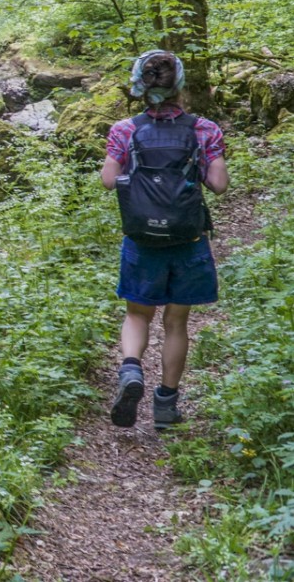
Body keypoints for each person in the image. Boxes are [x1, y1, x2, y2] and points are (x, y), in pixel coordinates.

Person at [100, 50, 228, 429]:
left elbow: (109, 180)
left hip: (143, 240)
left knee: (137, 312)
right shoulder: (204, 129)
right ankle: (166, 406)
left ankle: (130, 370)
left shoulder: (125, 129)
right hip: (187, 240)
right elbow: (219, 185)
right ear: (180, 83)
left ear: (140, 83)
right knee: (176, 323)